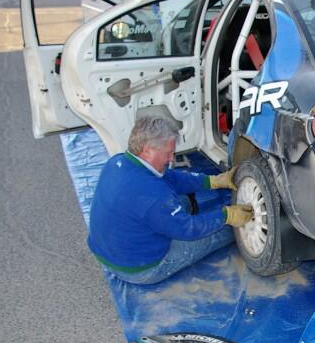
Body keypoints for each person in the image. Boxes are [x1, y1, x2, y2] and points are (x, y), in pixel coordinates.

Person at [87, 116, 253, 285]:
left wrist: (212, 181)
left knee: (173, 203)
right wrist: (227, 216)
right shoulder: (153, 195)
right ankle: (232, 226)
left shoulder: (118, 161)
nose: (172, 159)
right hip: (139, 269)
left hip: (107, 251)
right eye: (168, 153)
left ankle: (174, 219)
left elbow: (170, 177)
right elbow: (189, 229)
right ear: (147, 150)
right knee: (221, 231)